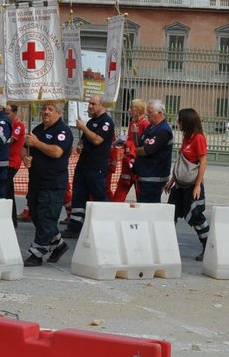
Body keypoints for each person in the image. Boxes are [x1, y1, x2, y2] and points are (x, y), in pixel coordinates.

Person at [22, 102, 73, 266]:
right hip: (36, 181)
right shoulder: (37, 130)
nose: (46, 112)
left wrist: (36, 144)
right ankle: (58, 245)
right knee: (37, 217)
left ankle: (37, 253)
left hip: (53, 183)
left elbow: (57, 152)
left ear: (59, 113)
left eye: (50, 109)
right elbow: (24, 147)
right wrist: (25, 157)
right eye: (44, 109)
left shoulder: (63, 131)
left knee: (46, 218)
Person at [165, 106, 211, 260]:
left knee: (196, 216)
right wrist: (172, 180)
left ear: (188, 122)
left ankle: (208, 247)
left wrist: (198, 185)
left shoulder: (198, 138)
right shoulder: (186, 137)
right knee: (171, 212)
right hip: (180, 184)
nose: (178, 123)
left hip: (192, 184)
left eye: (180, 120)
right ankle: (165, 245)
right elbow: (182, 162)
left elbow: (203, 162)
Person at [65, 95, 114, 237]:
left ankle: (104, 226)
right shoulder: (92, 121)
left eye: (93, 104)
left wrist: (83, 127)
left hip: (96, 166)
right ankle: (75, 227)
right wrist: (80, 146)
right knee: (78, 195)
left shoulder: (106, 122)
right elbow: (84, 140)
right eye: (89, 104)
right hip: (83, 165)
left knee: (99, 196)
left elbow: (97, 140)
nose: (90, 106)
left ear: (101, 105)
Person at [132, 99, 173, 203]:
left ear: (159, 113)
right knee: (144, 205)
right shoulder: (151, 127)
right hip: (146, 174)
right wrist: (135, 134)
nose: (147, 114)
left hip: (154, 177)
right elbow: (140, 144)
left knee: (147, 206)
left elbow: (146, 150)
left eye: (150, 112)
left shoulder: (163, 130)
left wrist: (134, 150)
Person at [112, 100, 149, 202]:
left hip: (137, 164)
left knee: (140, 195)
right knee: (119, 194)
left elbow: (143, 146)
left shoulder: (145, 124)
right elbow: (130, 140)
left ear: (137, 110)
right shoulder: (133, 122)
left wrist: (129, 142)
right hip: (127, 164)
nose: (129, 110)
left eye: (131, 108)